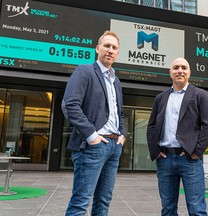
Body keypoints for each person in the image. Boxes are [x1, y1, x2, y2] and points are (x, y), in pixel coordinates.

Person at [62, 30, 126, 216]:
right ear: (98, 48)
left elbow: (119, 112)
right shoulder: (85, 70)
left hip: (114, 146)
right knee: (81, 203)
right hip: (91, 146)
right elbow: (70, 105)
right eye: (106, 46)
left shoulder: (116, 81)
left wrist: (122, 134)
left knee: (103, 202)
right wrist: (92, 136)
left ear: (117, 53)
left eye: (114, 47)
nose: (110, 50)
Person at [147, 57, 208, 216]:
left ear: (189, 73)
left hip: (190, 160)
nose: (180, 71)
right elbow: (152, 126)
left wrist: (196, 151)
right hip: (165, 159)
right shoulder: (161, 98)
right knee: (168, 209)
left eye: (184, 68)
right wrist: (155, 151)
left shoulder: (200, 95)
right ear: (170, 73)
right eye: (176, 68)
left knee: (197, 209)